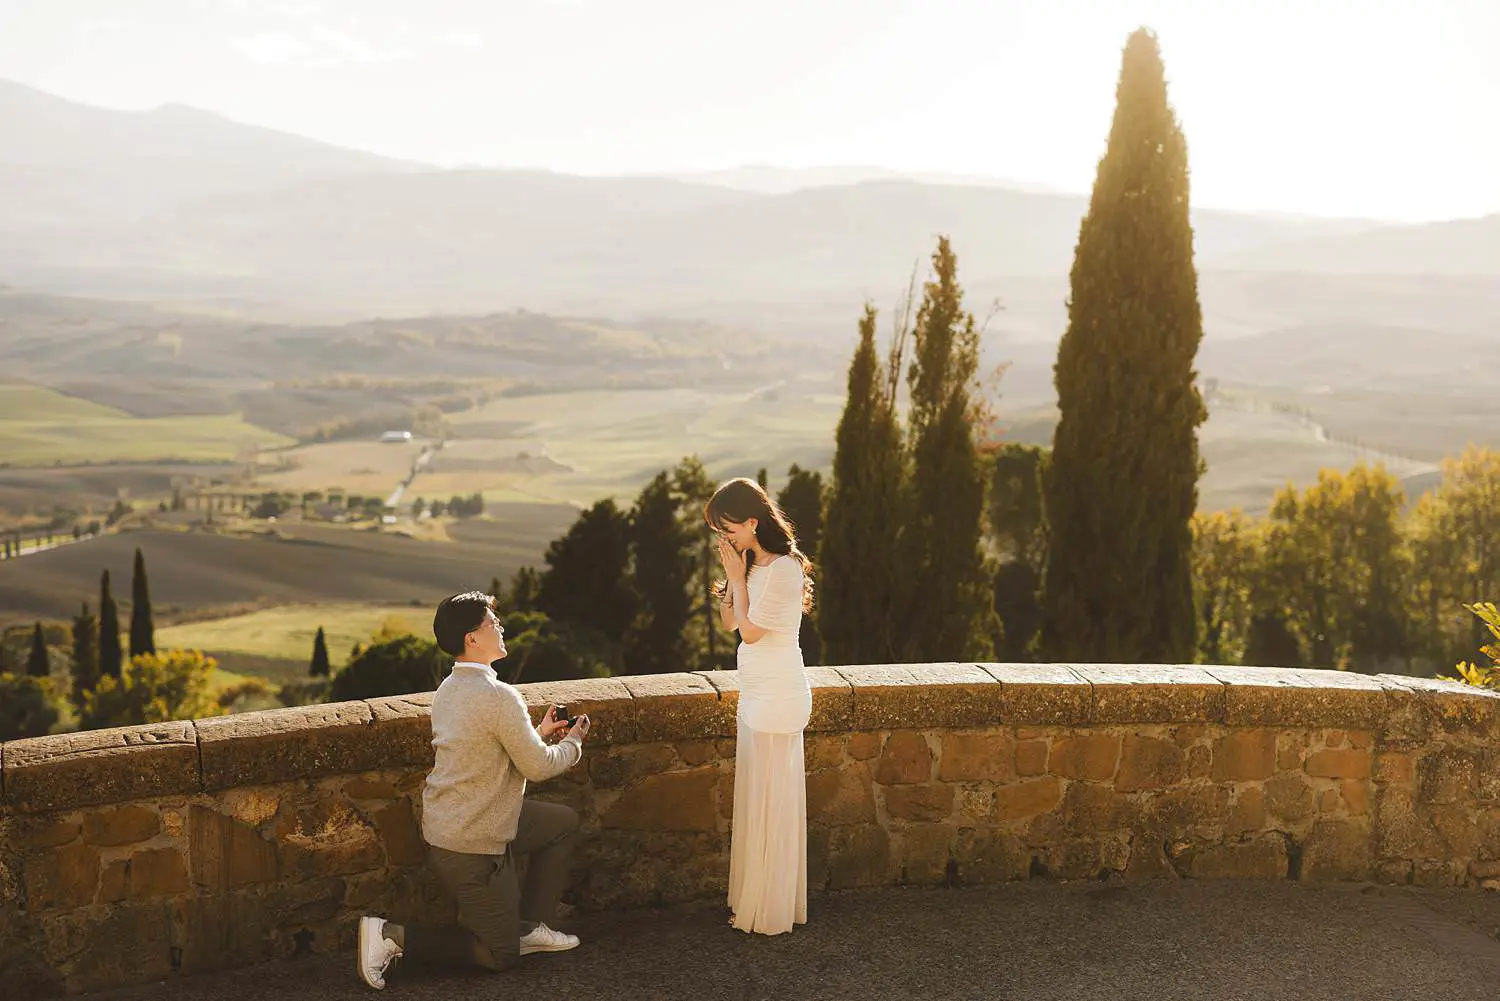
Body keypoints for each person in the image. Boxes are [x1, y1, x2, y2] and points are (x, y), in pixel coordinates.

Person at [356, 590, 591, 990]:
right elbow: (538, 766)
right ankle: (391, 936)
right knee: (499, 955)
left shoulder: (450, 687)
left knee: (561, 823)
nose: (500, 627)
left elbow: (494, 751)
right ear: (472, 638)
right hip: (471, 842)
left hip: (463, 821)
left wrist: (538, 733)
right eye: (492, 623)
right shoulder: (498, 696)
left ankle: (527, 929)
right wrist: (574, 742)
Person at [706, 477, 814, 936]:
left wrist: (736, 579)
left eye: (727, 528)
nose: (723, 538)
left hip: (779, 693)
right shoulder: (752, 564)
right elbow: (730, 620)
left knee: (774, 802)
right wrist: (737, 578)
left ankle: (771, 909)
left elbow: (750, 633)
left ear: (752, 522)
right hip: (756, 692)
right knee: (757, 798)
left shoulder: (785, 569)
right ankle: (754, 898)